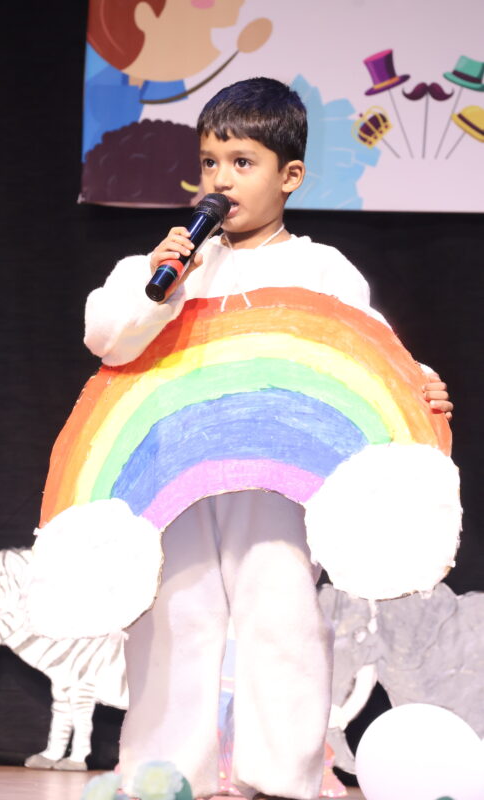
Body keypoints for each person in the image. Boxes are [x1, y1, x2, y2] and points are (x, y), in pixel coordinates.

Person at [83, 77, 453, 800]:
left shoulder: (318, 267)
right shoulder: (173, 267)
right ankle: (167, 771)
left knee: (278, 606)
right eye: (210, 162)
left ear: (290, 176)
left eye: (242, 162)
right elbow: (107, 336)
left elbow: (371, 352)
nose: (220, 180)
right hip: (177, 469)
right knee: (175, 612)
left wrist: (421, 384)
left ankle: (282, 775)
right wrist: (160, 283)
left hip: (276, 472)